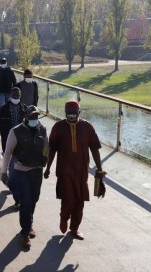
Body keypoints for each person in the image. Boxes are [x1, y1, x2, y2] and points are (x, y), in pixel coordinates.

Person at [44, 100, 105, 240]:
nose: (71, 116)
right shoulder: (58, 127)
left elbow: (95, 149)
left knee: (80, 201)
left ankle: (75, 229)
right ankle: (64, 218)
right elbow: (52, 150)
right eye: (68, 114)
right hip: (64, 172)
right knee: (68, 200)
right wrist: (47, 168)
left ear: (79, 113)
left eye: (74, 113)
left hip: (82, 172)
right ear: (65, 113)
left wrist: (100, 169)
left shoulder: (87, 127)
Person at [1, 105, 49, 250]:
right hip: (21, 172)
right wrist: (4, 172)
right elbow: (8, 153)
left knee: (34, 199)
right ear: (26, 117)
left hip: (37, 171)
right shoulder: (16, 132)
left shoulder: (42, 129)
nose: (35, 119)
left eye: (36, 116)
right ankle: (25, 232)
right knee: (26, 201)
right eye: (32, 117)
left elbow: (46, 146)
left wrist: (45, 159)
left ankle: (29, 224)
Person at [0, 87, 28, 207]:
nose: (16, 97)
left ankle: (17, 197)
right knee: (12, 170)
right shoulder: (3, 110)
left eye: (18, 95)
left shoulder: (25, 110)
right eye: (14, 94)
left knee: (18, 171)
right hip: (7, 144)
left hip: (22, 146)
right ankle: (14, 189)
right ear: (10, 95)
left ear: (20, 95)